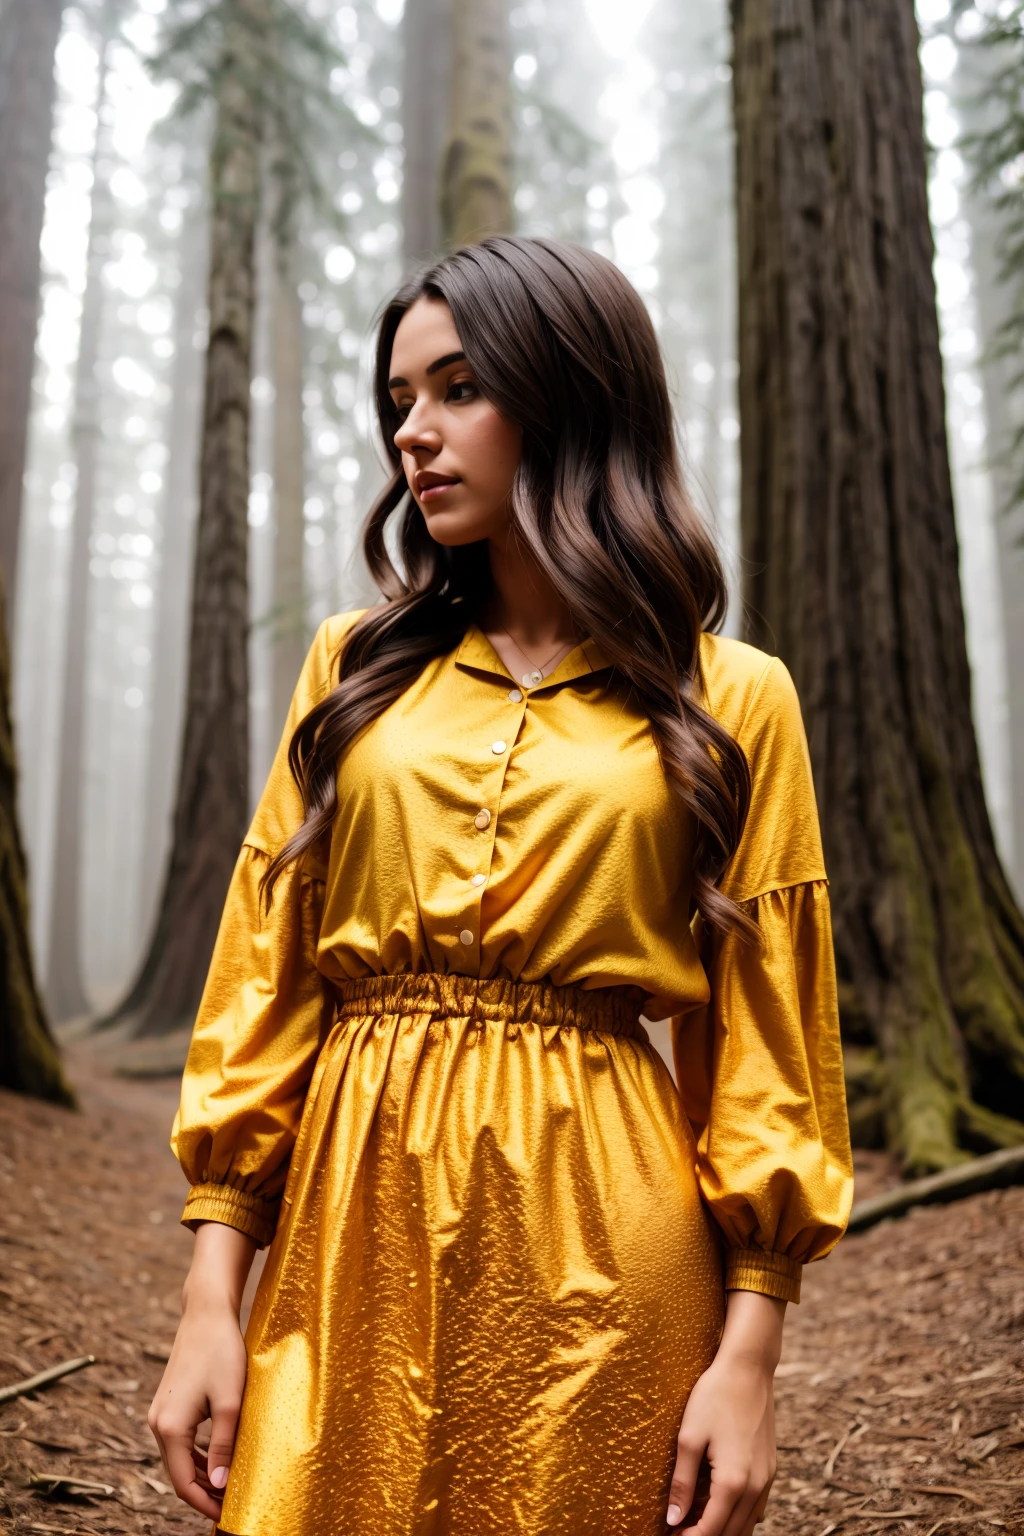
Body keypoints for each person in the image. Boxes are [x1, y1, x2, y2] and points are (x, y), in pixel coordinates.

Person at [149, 236, 852, 1536]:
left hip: (608, 1248)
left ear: (573, 393)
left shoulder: (733, 699)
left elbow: (770, 1050)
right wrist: (209, 1303)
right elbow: (264, 983)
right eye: (400, 400)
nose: (414, 433)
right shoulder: (352, 670)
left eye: (459, 387)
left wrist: (749, 1359)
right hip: (344, 1233)